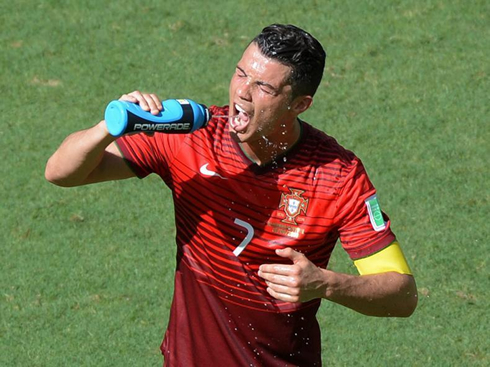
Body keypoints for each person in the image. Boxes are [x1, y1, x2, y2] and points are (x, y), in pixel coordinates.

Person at [45, 24, 417, 367]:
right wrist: (108, 127)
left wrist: (326, 283)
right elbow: (60, 172)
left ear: (300, 104)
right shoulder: (190, 137)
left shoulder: (337, 175)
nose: (242, 92)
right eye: (241, 73)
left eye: (264, 88)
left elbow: (402, 295)